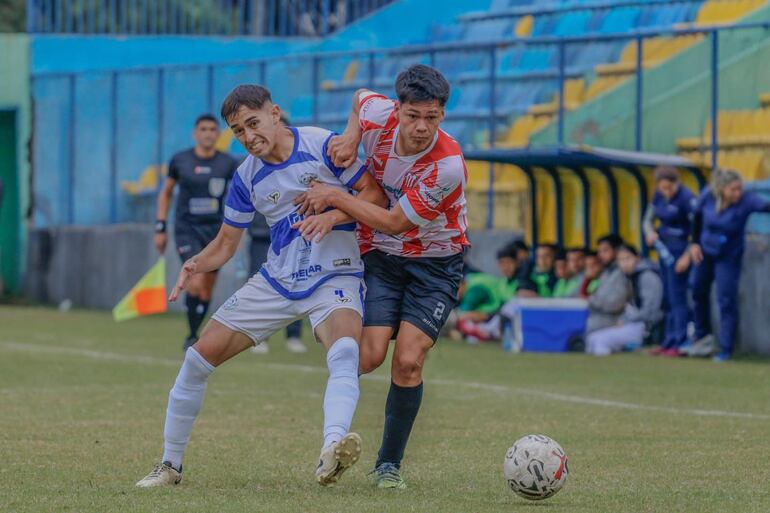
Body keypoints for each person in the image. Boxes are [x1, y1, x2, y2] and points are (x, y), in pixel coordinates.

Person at [136, 84, 388, 488]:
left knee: (344, 351)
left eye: (253, 123)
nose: (249, 137)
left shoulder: (322, 144)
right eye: (238, 131)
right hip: (277, 280)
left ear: (275, 113)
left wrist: (333, 215)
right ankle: (169, 465)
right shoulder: (246, 177)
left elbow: (375, 196)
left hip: (335, 272)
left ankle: (331, 448)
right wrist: (195, 264)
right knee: (196, 360)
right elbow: (226, 244)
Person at [295, 64, 468, 489]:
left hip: (435, 265)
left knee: (408, 362)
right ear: (399, 109)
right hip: (382, 260)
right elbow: (358, 96)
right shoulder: (377, 114)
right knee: (367, 356)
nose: (422, 127)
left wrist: (335, 197)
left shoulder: (447, 166)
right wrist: (353, 134)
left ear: (442, 115)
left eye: (433, 117)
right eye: (413, 116)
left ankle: (388, 465)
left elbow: (393, 222)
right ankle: (332, 439)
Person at [154, 114, 240, 350]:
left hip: (215, 231)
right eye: (203, 129)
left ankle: (194, 332)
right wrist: (160, 226)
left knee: (207, 288)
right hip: (186, 229)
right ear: (195, 133)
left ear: (218, 134)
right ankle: (192, 336)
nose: (208, 133)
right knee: (195, 278)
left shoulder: (228, 163)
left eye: (213, 129)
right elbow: (166, 192)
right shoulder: (180, 160)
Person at [684, 169, 770, 361]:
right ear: (721, 189)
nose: (737, 193)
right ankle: (702, 336)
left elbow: (765, 206)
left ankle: (725, 348)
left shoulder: (746, 201)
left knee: (726, 299)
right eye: (733, 189)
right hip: (705, 252)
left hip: (728, 257)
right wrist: (694, 243)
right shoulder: (707, 196)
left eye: (740, 189)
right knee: (697, 290)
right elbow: (696, 219)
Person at [248, 115, 307, 355]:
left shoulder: (304, 162)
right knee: (260, 283)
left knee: (297, 280)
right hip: (261, 236)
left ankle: (294, 336)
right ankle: (259, 336)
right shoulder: (250, 169)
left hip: (295, 237)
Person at [642, 166, 696, 356]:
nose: (666, 191)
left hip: (680, 252)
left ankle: (681, 342)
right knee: (667, 297)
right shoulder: (658, 196)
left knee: (678, 297)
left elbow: (697, 230)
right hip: (664, 251)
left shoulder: (687, 198)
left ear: (677, 183)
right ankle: (668, 341)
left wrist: (687, 256)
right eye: (663, 188)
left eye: (669, 188)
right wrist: (649, 232)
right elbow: (647, 220)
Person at [586, 244, 663, 356]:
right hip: (635, 323)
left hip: (647, 327)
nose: (624, 263)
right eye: (621, 260)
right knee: (592, 339)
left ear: (637, 258)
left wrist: (627, 320)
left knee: (600, 340)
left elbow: (651, 311)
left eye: (628, 258)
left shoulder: (647, 276)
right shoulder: (631, 277)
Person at [586, 234, 627, 334]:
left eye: (605, 250)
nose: (600, 255)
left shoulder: (623, 272)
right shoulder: (606, 272)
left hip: (615, 322)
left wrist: (591, 300)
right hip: (600, 319)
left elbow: (615, 304)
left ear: (617, 251)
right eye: (600, 251)